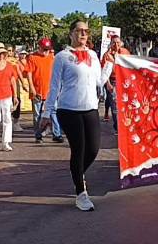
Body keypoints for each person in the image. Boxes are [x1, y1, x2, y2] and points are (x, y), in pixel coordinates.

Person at [39, 20, 113, 211]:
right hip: (68, 109)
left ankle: (77, 174)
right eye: (79, 31)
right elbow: (54, 86)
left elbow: (99, 81)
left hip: (90, 108)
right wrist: (47, 113)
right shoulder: (62, 57)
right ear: (70, 34)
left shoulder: (93, 56)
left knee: (93, 149)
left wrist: (109, 66)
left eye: (86, 31)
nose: (83, 34)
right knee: (78, 149)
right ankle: (81, 193)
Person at [26, 38, 62, 144]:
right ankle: (38, 135)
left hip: (51, 91)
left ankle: (57, 134)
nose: (46, 51)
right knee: (38, 114)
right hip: (37, 91)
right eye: (44, 49)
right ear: (39, 47)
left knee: (53, 112)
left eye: (47, 49)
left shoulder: (52, 58)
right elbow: (28, 73)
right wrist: (32, 89)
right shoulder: (32, 58)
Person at [102, 35, 130, 134]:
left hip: (124, 81)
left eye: (118, 42)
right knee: (114, 105)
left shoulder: (125, 52)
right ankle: (117, 128)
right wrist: (108, 84)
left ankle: (124, 125)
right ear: (111, 43)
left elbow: (130, 67)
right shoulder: (107, 55)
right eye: (114, 42)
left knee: (124, 104)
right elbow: (104, 71)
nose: (116, 44)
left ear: (121, 43)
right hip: (112, 81)